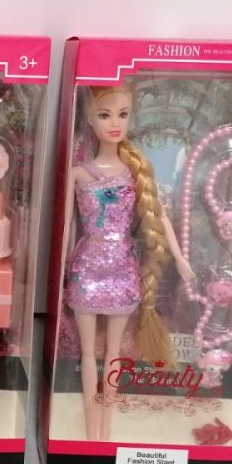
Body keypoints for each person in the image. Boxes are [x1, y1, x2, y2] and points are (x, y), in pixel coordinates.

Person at [66, 85, 193, 440]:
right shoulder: (79, 174)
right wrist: (62, 267)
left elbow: (159, 216)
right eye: (105, 115)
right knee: (87, 353)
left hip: (122, 270)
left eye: (122, 114)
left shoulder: (135, 172)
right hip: (86, 269)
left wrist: (179, 257)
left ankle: (106, 427)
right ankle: (91, 426)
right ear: (90, 119)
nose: (115, 123)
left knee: (112, 353)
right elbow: (67, 225)